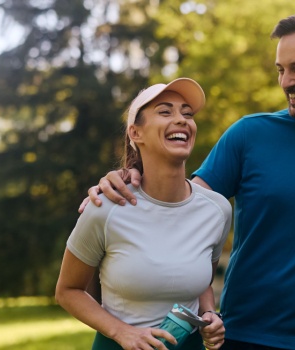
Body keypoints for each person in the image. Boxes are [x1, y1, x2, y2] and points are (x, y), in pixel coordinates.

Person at [83, 12, 295, 350]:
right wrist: (128, 179)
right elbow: (182, 211)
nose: (286, 82)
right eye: (281, 70)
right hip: (243, 338)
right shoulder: (249, 135)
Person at [58, 78, 231, 350]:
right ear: (136, 133)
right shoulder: (106, 207)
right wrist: (122, 332)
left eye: (187, 113)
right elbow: (68, 291)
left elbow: (201, 282)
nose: (182, 120)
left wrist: (210, 313)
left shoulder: (217, 210)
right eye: (165, 112)